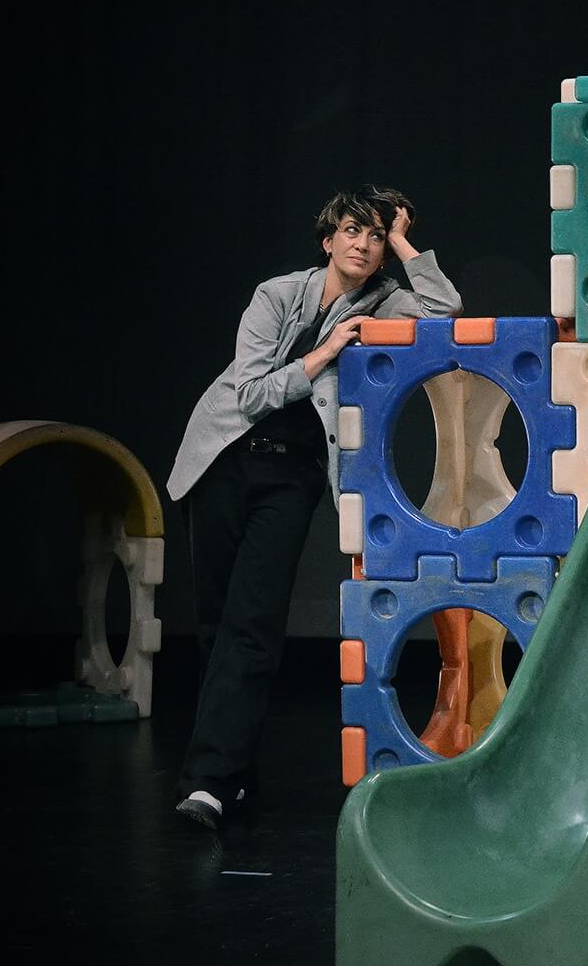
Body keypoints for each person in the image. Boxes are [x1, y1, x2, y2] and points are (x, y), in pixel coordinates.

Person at [164, 186, 461, 829]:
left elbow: (444, 311)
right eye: (353, 231)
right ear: (328, 241)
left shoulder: (385, 300)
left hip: (290, 478)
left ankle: (208, 783)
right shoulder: (276, 295)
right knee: (216, 628)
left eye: (376, 236)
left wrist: (405, 239)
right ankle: (234, 771)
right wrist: (325, 354)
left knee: (253, 624)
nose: (363, 244)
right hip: (223, 462)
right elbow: (250, 394)